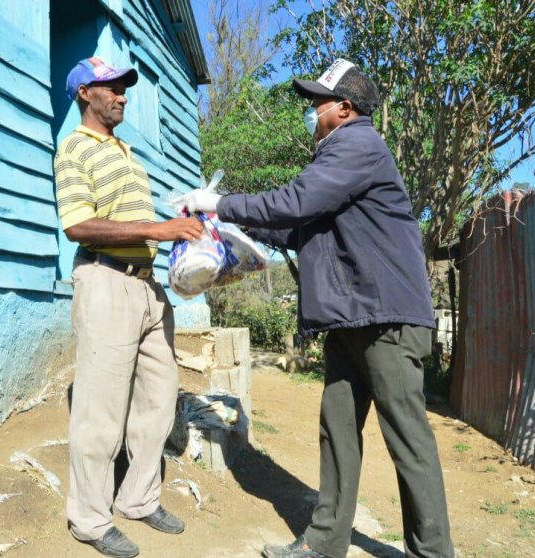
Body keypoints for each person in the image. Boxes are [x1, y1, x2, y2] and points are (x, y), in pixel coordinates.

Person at [180, 59, 454, 558]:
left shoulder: (358, 145)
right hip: (354, 317)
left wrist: (220, 204)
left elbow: (297, 201)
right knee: (338, 431)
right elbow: (298, 225)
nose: (311, 113)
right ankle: (325, 543)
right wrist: (237, 228)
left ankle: (432, 553)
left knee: (407, 437)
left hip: (386, 319)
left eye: (317, 104)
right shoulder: (340, 160)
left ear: (344, 109)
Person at [54, 57, 204, 558]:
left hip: (146, 287)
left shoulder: (125, 152)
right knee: (100, 410)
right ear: (85, 94)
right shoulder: (74, 148)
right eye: (111, 87)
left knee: (158, 399)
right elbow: (77, 225)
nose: (122, 95)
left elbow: (133, 220)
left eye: (124, 88)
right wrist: (158, 229)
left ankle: (138, 498)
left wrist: (177, 224)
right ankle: (90, 519)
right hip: (105, 280)